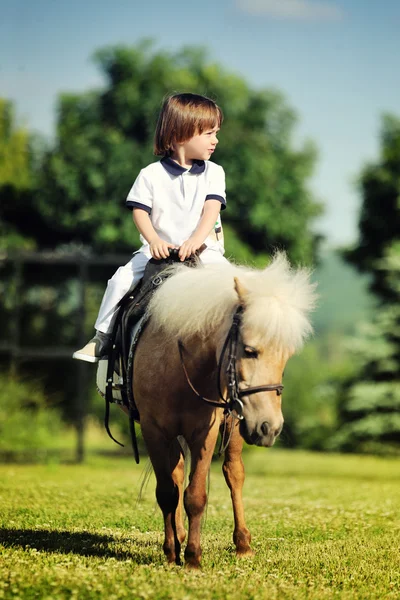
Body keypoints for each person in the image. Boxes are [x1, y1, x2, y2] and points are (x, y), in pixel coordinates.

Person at [73, 92, 228, 363]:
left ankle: (236, 341)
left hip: (203, 250)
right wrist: (154, 240)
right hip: (157, 251)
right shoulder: (150, 174)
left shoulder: (215, 172)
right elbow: (140, 212)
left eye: (216, 133)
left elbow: (211, 211)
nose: (215, 140)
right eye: (208, 133)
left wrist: (195, 240)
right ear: (181, 133)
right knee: (120, 280)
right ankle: (102, 337)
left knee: (233, 282)